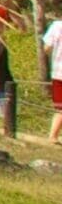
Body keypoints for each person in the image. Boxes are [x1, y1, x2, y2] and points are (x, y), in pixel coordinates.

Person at [40, 9, 62, 143]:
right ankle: (53, 136)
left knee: (60, 107)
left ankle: (53, 135)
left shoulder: (57, 26)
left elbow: (47, 47)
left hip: (58, 72)